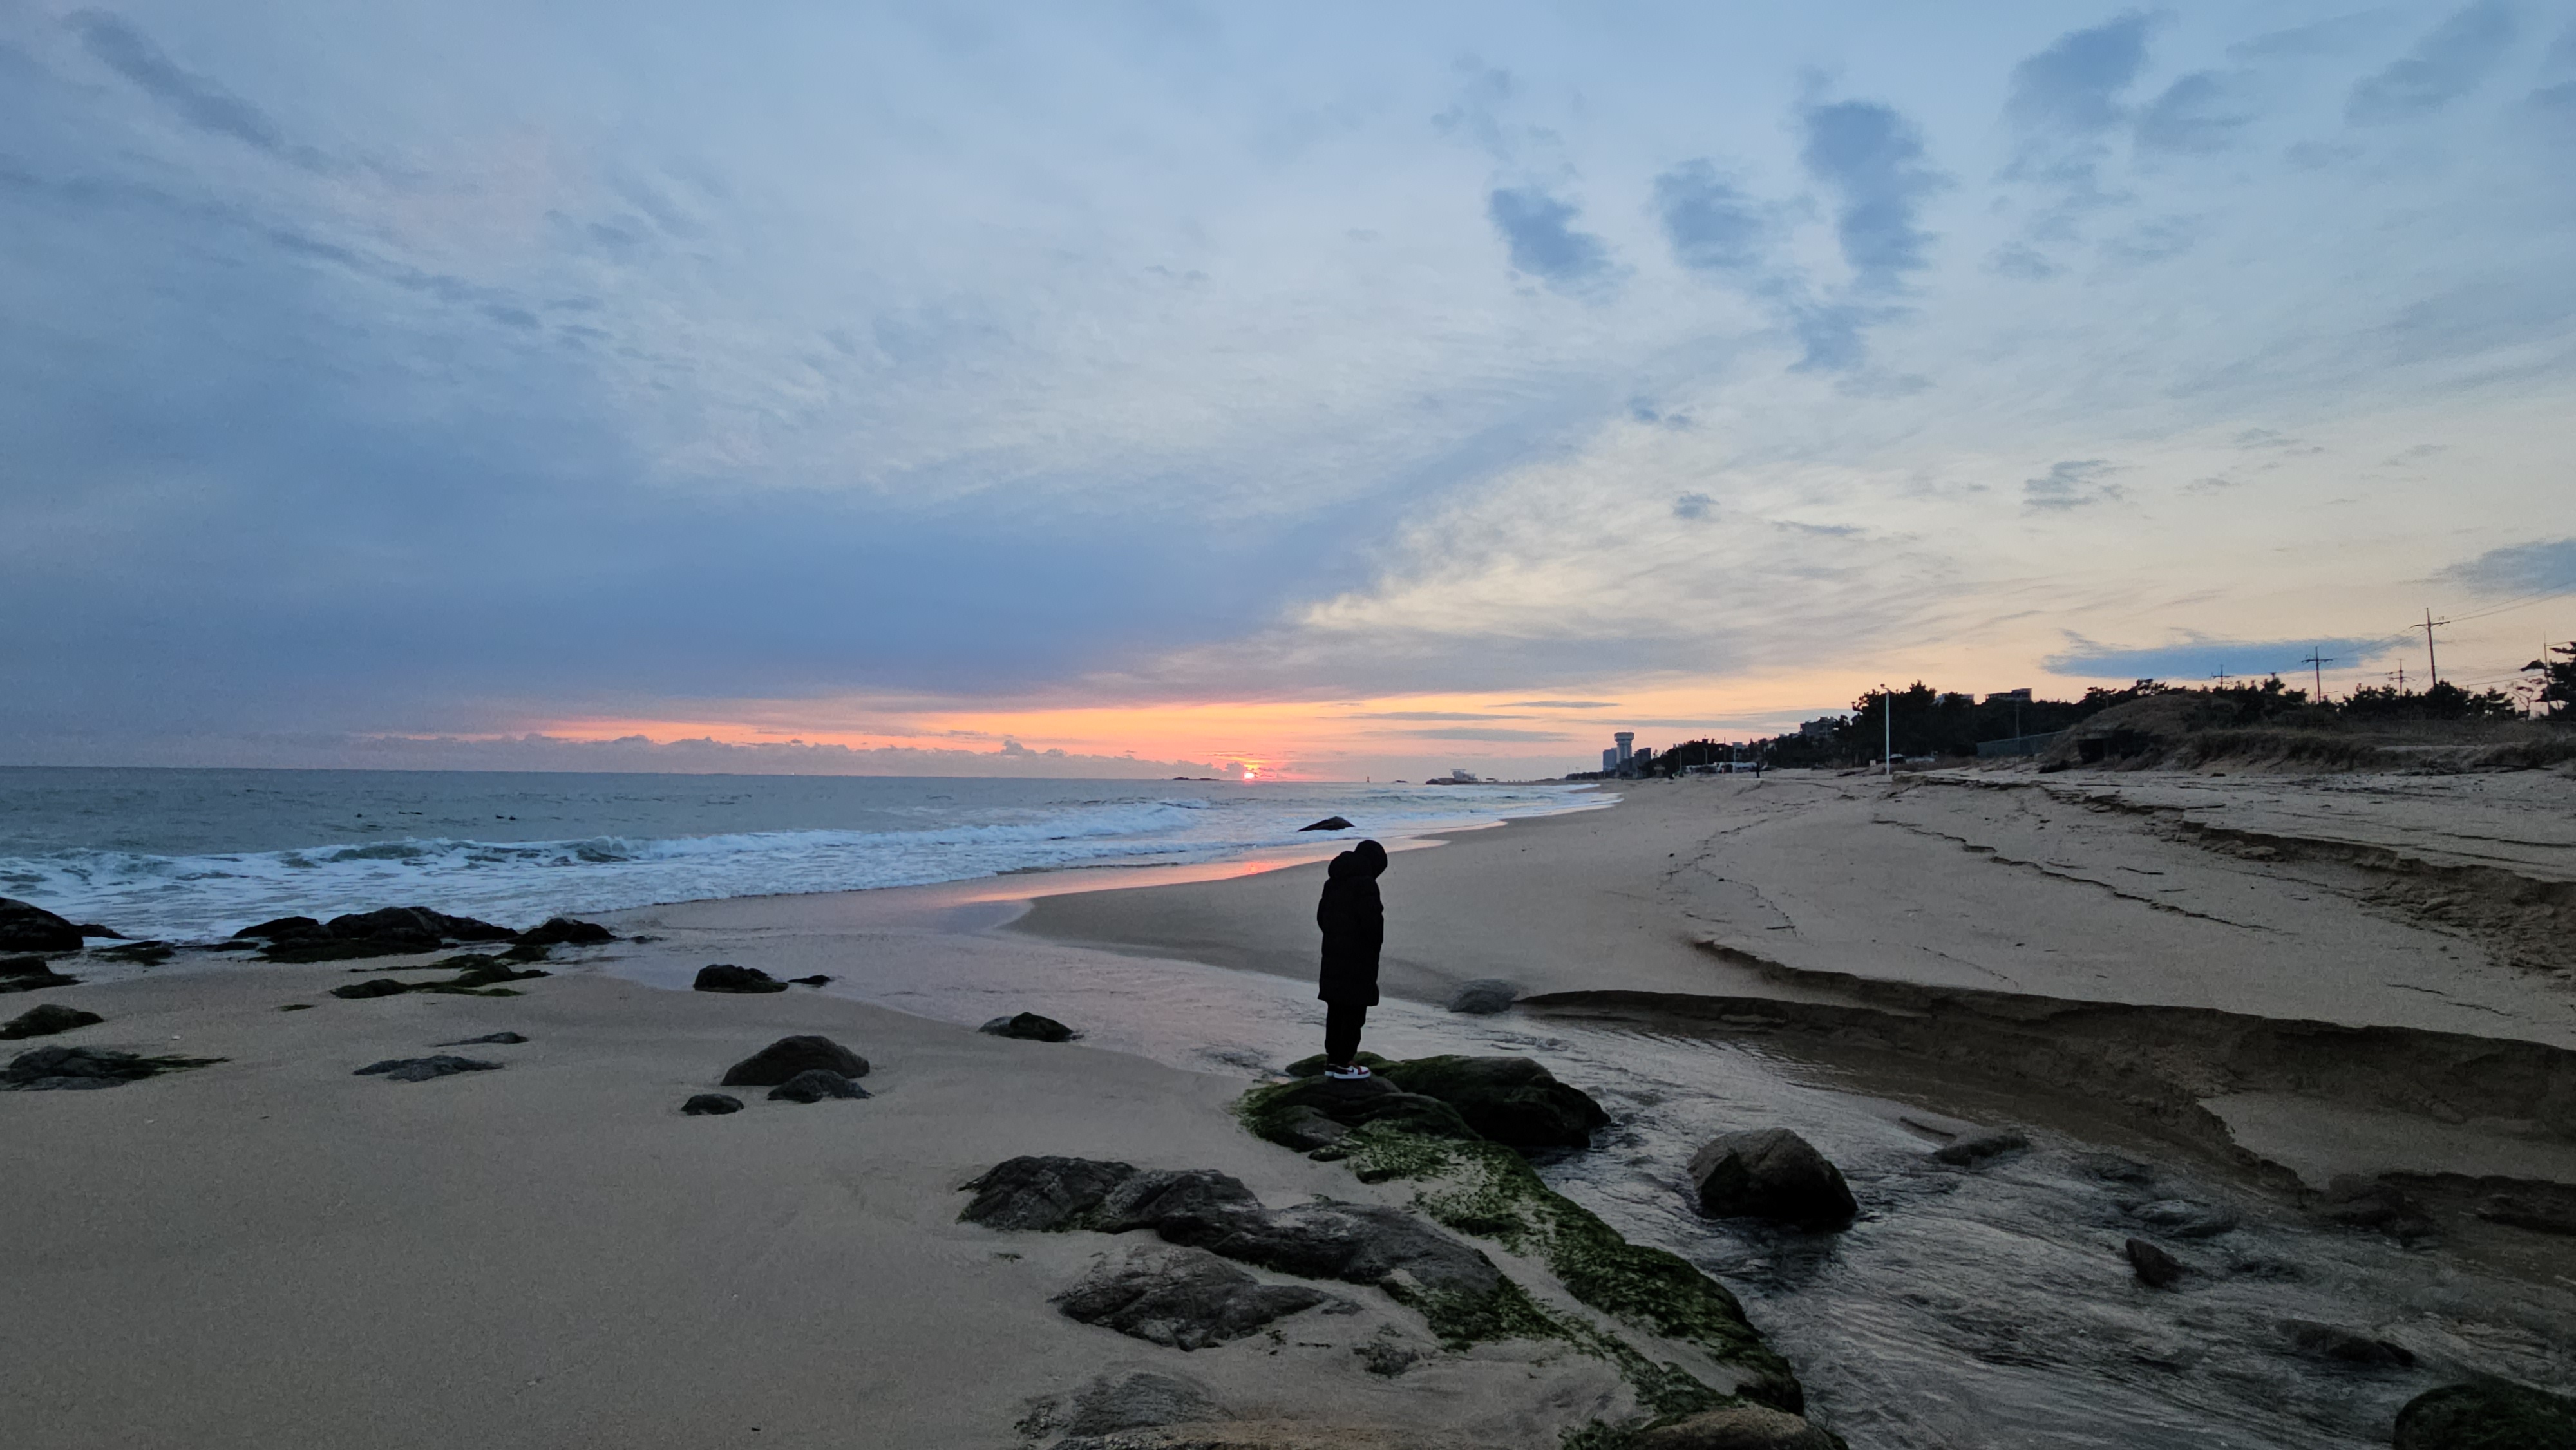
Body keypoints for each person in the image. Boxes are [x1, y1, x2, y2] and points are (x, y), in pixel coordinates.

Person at [1314, 838, 1387, 1079]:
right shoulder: (1366, 885)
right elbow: (1373, 925)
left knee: (1335, 1010)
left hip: (1333, 956)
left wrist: (1336, 938)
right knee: (1355, 1012)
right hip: (1358, 960)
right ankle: (1346, 1063)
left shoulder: (1333, 881)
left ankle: (1333, 1061)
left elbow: (1321, 918)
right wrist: (1371, 947)